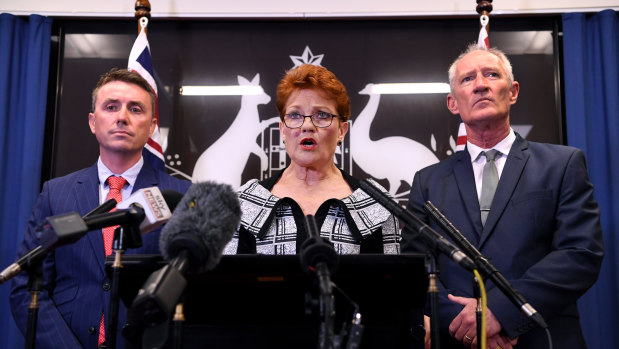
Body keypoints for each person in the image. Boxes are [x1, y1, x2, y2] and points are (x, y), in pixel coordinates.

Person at [402, 44, 604, 349]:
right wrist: (467, 323)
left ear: (513, 91)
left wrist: (500, 312)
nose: (481, 84)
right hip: (459, 339)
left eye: (492, 74)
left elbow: (580, 253)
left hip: (542, 337)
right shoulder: (427, 182)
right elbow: (415, 267)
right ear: (452, 103)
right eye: (467, 79)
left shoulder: (563, 164)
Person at [10, 68, 191, 348]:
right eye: (111, 107)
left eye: (135, 109)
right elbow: (26, 289)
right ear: (93, 122)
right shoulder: (55, 194)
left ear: (152, 126)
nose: (122, 117)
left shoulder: (181, 196)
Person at [224, 64, 400, 255]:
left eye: (322, 115)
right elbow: (229, 281)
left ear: (342, 131)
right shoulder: (245, 201)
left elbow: (389, 281)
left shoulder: (375, 202)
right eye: (294, 115)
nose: (307, 125)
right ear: (282, 129)